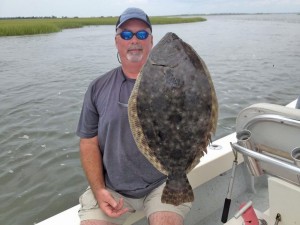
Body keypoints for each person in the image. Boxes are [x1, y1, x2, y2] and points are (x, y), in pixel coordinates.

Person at [76, 7, 191, 225]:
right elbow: (88, 142)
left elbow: (193, 127)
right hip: (112, 187)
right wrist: (99, 189)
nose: (134, 40)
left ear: (151, 41)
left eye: (141, 34)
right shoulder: (97, 87)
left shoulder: (175, 84)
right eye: (127, 34)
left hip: (163, 181)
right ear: (117, 41)